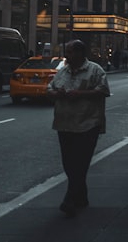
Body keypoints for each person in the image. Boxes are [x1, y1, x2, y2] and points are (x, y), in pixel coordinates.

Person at [46, 39, 111, 217]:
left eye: (70, 52)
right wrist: (56, 93)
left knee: (80, 163)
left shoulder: (95, 70)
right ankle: (81, 196)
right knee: (68, 163)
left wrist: (80, 94)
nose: (67, 55)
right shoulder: (62, 71)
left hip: (88, 123)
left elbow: (104, 90)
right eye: (67, 51)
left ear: (81, 53)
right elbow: (49, 88)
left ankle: (69, 199)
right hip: (64, 123)